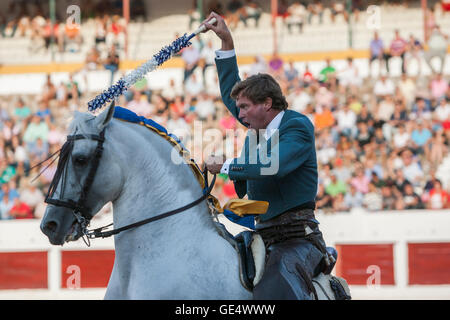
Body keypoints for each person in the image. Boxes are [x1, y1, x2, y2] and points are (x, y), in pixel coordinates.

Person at [201, 12, 333, 300]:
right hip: (262, 234)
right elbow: (229, 90)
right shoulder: (258, 125)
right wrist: (225, 40)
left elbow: (272, 167)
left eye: (245, 107)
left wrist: (224, 165)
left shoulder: (297, 125)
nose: (240, 113)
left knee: (273, 291)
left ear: (267, 104)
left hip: (297, 237)